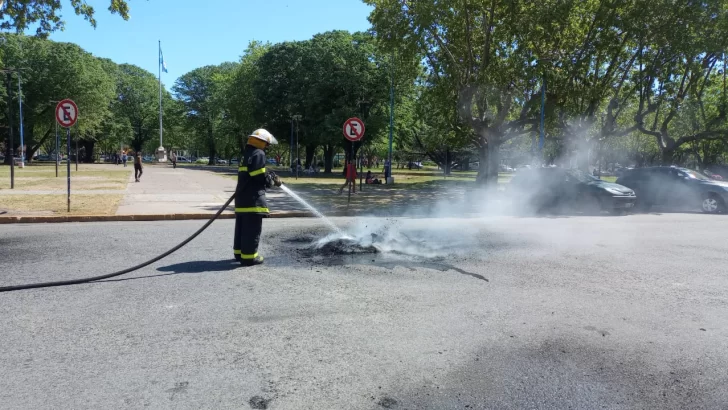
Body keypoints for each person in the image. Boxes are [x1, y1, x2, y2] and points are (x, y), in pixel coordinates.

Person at [234, 129, 282, 266]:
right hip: (253, 201)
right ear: (261, 142)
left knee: (241, 229)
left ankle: (239, 253)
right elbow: (258, 175)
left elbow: (255, 171)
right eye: (267, 144)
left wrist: (270, 174)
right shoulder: (259, 153)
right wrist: (271, 181)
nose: (268, 147)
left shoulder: (247, 154)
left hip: (242, 199)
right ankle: (249, 257)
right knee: (252, 230)